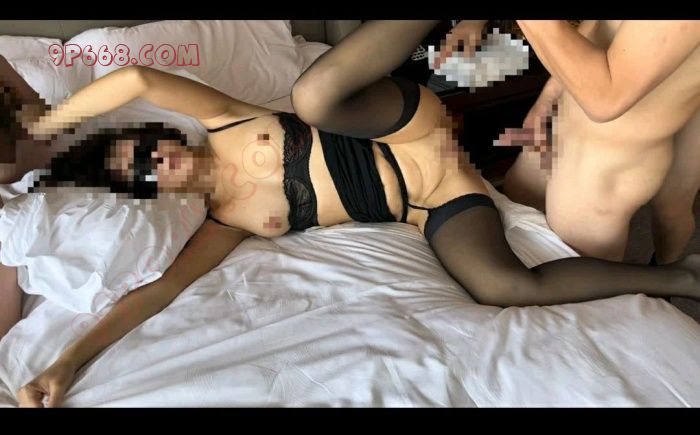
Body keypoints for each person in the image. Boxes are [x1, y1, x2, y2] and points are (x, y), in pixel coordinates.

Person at [4, 21, 698, 407]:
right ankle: (683, 279)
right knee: (502, 286)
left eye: (144, 149)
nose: (155, 164)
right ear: (155, 194)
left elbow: (134, 78)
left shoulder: (224, 119)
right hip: (432, 200)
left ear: (159, 135)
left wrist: (52, 119)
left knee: (312, 97)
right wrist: (64, 364)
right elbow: (155, 294)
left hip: (404, 126)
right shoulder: (228, 222)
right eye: (143, 177)